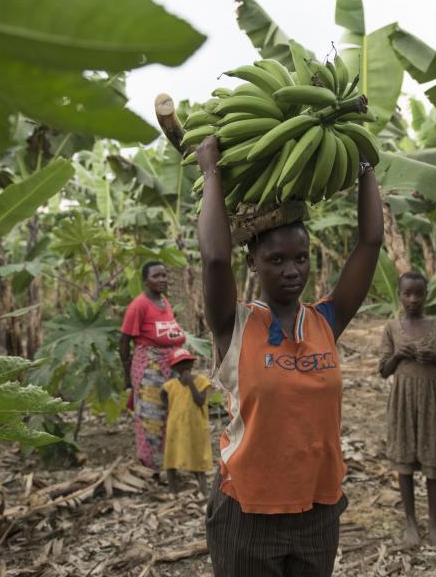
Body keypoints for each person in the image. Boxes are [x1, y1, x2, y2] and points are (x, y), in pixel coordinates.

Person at [196, 134, 384, 577]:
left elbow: (371, 242)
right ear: (254, 263)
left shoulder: (325, 322)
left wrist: (364, 166)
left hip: (318, 510)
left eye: (300, 258)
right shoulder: (234, 325)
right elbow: (214, 259)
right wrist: (211, 173)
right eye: (277, 259)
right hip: (247, 511)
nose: (292, 270)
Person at [378, 271, 436, 548]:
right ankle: (411, 521)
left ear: (426, 295)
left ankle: (434, 522)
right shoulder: (391, 327)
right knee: (404, 462)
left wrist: (435, 358)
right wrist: (399, 354)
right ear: (399, 295)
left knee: (432, 460)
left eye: (418, 294)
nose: (412, 299)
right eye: (407, 293)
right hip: (402, 398)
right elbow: (383, 370)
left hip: (430, 399)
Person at [120, 260, 187, 470]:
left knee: (169, 413)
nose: (161, 279)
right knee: (151, 414)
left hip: (169, 365)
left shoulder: (164, 302)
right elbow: (123, 341)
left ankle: (170, 461)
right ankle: (151, 464)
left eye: (164, 275)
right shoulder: (138, 305)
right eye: (156, 276)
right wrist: (127, 375)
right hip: (149, 367)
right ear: (145, 281)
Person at [160, 347, 213, 495]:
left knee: (197, 459)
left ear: (192, 364)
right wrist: (169, 409)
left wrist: (191, 383)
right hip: (175, 427)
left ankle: (204, 491)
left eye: (187, 362)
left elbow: (200, 400)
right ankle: (173, 490)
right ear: (174, 368)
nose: (184, 367)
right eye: (180, 364)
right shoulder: (171, 385)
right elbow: (163, 394)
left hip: (195, 428)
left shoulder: (201, 381)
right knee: (171, 457)